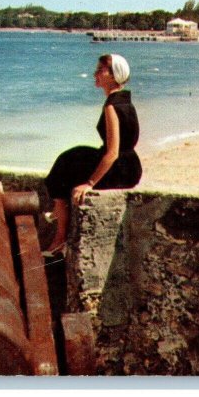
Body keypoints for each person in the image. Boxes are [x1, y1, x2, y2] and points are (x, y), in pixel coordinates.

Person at [44, 54, 142, 256]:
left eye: (100, 70)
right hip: (131, 166)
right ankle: (59, 211)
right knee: (70, 157)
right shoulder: (125, 101)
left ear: (114, 76)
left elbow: (113, 152)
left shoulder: (111, 106)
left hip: (118, 168)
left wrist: (89, 183)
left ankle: (60, 236)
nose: (95, 74)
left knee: (64, 168)